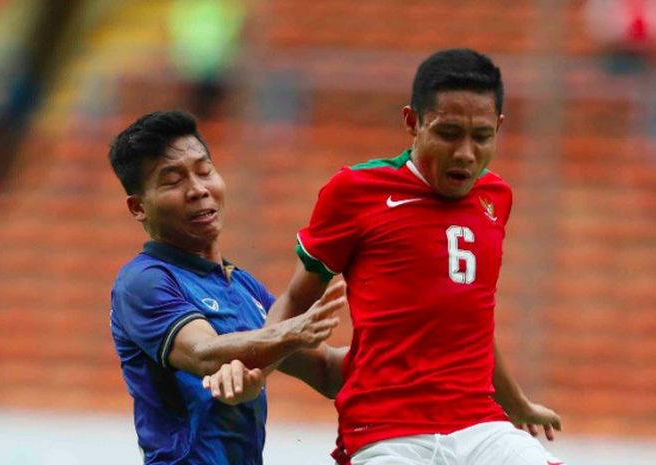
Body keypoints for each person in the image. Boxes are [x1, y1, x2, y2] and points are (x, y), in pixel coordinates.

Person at [263, 49, 567, 465]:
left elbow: (470, 319)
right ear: (413, 122)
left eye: (481, 137)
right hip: (385, 431)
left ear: (498, 128)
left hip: (479, 424)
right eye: (448, 133)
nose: (465, 153)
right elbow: (295, 301)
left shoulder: (496, 198)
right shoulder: (355, 192)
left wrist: (517, 404)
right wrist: (259, 360)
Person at [108, 110, 347, 465]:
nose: (198, 189)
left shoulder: (243, 286)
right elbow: (204, 352)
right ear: (138, 207)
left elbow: (327, 371)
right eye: (173, 181)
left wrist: (421, 349)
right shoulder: (144, 281)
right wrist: (290, 332)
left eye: (204, 171)